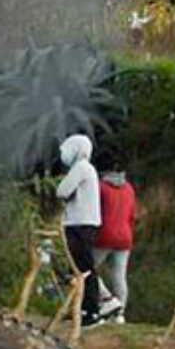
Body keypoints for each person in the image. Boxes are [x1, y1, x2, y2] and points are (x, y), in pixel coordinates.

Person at [55, 133, 121, 328]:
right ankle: (89, 306)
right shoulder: (86, 169)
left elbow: (62, 190)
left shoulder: (81, 168)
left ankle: (92, 310)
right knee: (80, 267)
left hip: (80, 224)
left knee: (83, 269)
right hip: (82, 223)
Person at [95, 161, 137, 323]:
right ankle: (120, 314)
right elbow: (132, 215)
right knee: (119, 276)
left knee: (86, 270)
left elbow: (95, 212)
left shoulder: (100, 187)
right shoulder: (129, 188)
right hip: (125, 237)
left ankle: (107, 300)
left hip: (104, 236)